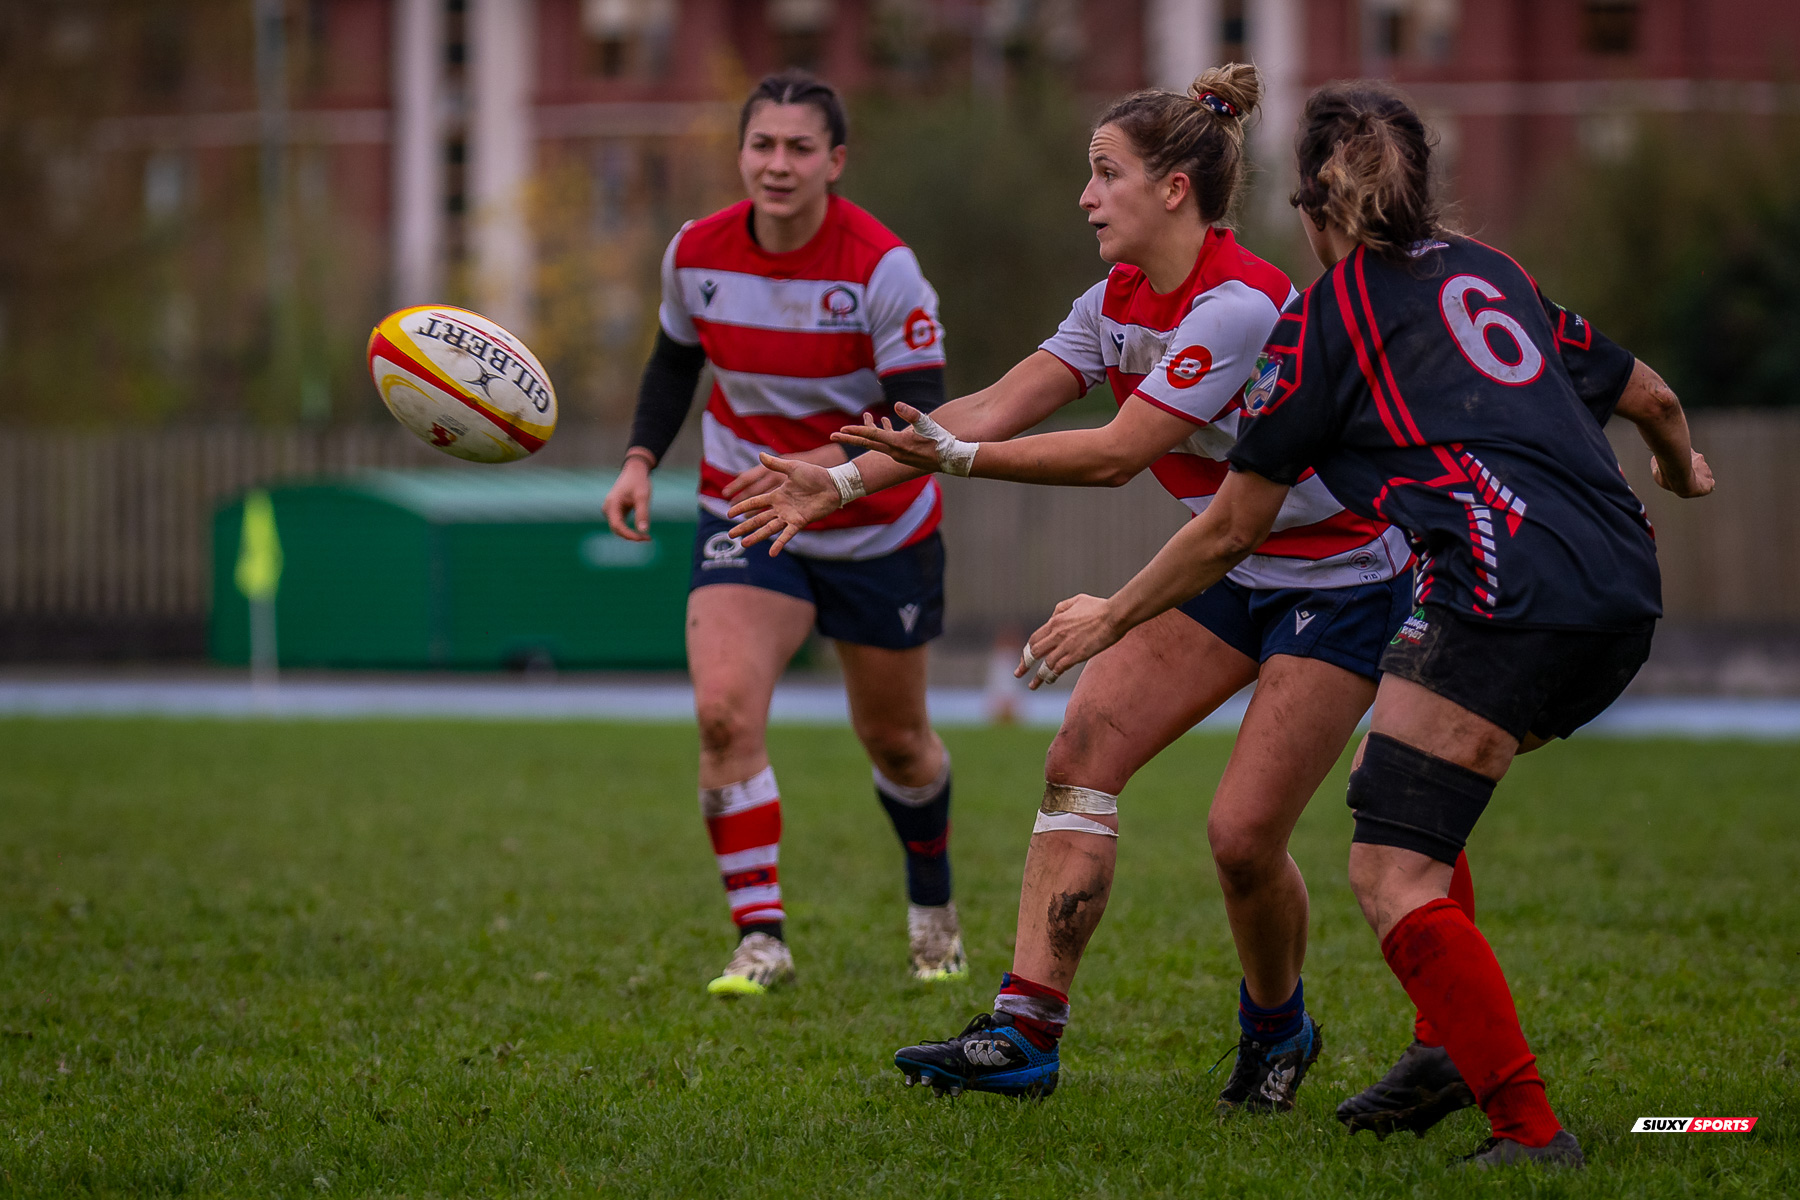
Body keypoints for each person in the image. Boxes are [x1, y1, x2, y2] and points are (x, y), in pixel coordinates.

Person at [1011, 82, 1712, 1167]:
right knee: (1408, 794)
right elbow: (1655, 402)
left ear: (1311, 209)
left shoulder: (1320, 321)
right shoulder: (1498, 275)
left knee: (1389, 869)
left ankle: (1530, 1134)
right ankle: (1442, 1046)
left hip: (1498, 593)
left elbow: (1227, 529)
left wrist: (1113, 614)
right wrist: (1681, 469)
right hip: (1624, 587)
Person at [731, 65, 1413, 1110]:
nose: (1087, 197)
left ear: (1174, 189)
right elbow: (996, 404)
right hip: (1225, 564)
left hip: (1344, 577)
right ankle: (1025, 1031)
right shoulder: (1115, 299)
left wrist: (948, 467)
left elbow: (1115, 453)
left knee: (1240, 841)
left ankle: (1279, 1031)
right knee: (1083, 750)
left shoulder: (1240, 306)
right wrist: (840, 480)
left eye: (1105, 175)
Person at [601, 70, 966, 996]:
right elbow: (675, 358)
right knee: (723, 712)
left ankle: (933, 910)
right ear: (741, 154)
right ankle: (759, 938)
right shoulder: (697, 253)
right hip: (747, 506)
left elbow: (921, 421)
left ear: (835, 162)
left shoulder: (883, 269)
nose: (778, 163)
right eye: (763, 144)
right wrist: (642, 457)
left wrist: (833, 483)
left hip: (876, 522)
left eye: (801, 147)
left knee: (897, 740)